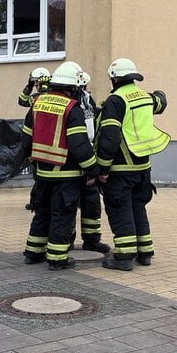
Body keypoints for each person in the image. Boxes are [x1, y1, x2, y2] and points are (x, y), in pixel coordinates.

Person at [21, 61, 99, 270]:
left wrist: (27, 160)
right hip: (66, 173)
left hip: (42, 172)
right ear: (72, 87)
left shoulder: (37, 103)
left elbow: (26, 137)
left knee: (42, 212)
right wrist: (93, 168)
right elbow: (79, 144)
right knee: (62, 215)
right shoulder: (72, 108)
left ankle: (33, 252)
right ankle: (57, 258)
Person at [95, 58, 170, 271]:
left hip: (120, 168)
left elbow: (109, 138)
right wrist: (161, 94)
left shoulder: (115, 101)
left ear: (114, 78)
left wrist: (102, 168)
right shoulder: (145, 97)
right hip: (143, 168)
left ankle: (124, 257)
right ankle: (144, 252)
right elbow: (161, 102)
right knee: (138, 207)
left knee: (120, 210)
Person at [73, 69, 110, 253]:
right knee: (68, 205)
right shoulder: (71, 104)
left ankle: (92, 240)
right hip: (72, 160)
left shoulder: (87, 100)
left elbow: (93, 123)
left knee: (92, 203)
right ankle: (65, 241)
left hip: (89, 155)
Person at [19, 66, 51, 210]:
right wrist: (29, 86)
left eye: (37, 83)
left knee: (40, 176)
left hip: (43, 140)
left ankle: (39, 201)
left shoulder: (44, 97)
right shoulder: (35, 96)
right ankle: (37, 200)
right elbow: (21, 101)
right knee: (38, 174)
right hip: (39, 140)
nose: (36, 86)